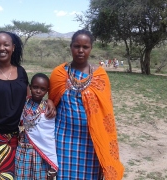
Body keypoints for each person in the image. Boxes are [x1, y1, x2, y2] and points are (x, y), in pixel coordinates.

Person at [0, 31, 56, 180]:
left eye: (6, 44)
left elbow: (30, 99)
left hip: (11, 139)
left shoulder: (21, 72)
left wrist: (48, 101)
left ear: (13, 47)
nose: (2, 48)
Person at [49, 29, 124, 180]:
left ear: (91, 49)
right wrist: (49, 102)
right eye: (77, 46)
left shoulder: (100, 76)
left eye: (85, 47)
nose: (80, 51)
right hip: (63, 138)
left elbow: (106, 112)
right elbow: (52, 100)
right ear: (71, 47)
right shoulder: (59, 73)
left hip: (91, 141)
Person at [15, 73, 58, 180]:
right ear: (30, 87)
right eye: (35, 87)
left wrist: (50, 101)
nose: (38, 91)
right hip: (22, 151)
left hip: (39, 154)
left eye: (42, 89)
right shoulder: (23, 104)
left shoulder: (47, 109)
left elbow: (48, 138)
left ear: (47, 91)